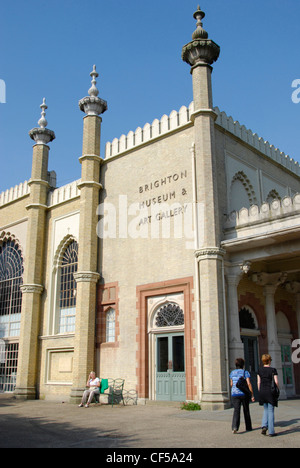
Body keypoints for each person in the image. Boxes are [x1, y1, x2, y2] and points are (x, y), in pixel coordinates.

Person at [230, 358, 255, 434]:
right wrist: (252, 394)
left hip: (234, 394)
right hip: (244, 393)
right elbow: (248, 383)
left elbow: (231, 384)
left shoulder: (232, 373)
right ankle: (248, 427)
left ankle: (235, 427)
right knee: (246, 410)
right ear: (243, 365)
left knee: (236, 410)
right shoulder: (245, 372)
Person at [257, 354, 279, 437]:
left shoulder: (260, 370)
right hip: (270, 391)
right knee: (270, 410)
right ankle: (271, 431)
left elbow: (258, 382)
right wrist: (278, 390)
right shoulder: (273, 370)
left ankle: (264, 426)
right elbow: (276, 382)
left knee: (265, 409)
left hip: (262, 390)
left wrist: (260, 390)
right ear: (269, 361)